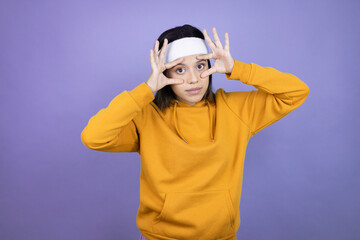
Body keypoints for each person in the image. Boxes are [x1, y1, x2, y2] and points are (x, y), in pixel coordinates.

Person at [81, 24, 310, 240]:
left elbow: (296, 91)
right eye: (180, 69)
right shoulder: (146, 116)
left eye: (200, 66)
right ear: (165, 74)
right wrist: (147, 89)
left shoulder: (235, 110)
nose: (193, 79)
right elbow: (94, 137)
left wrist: (236, 68)